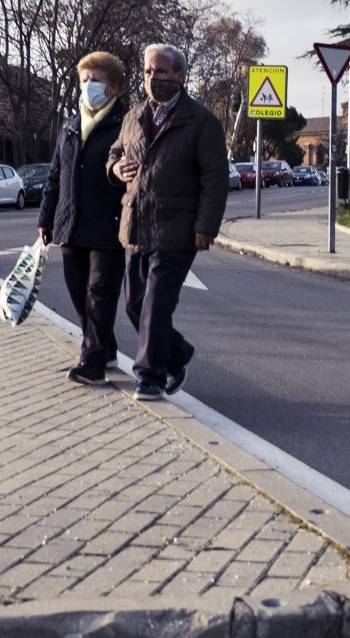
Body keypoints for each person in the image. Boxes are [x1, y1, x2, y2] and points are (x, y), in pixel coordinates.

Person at [108, 43, 228, 401]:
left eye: (159, 71)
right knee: (134, 304)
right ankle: (177, 355)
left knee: (157, 302)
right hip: (136, 225)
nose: (151, 78)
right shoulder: (133, 117)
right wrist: (114, 168)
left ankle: (150, 376)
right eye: (147, 71)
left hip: (177, 229)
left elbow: (215, 178)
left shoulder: (201, 121)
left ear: (179, 75)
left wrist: (206, 226)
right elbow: (116, 152)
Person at [37, 52, 129, 385]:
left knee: (100, 292)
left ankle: (92, 363)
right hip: (70, 223)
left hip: (110, 224)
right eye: (84, 80)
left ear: (114, 87)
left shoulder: (126, 124)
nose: (88, 86)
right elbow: (55, 175)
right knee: (79, 293)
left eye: (96, 80)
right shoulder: (70, 125)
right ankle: (106, 347)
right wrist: (46, 218)